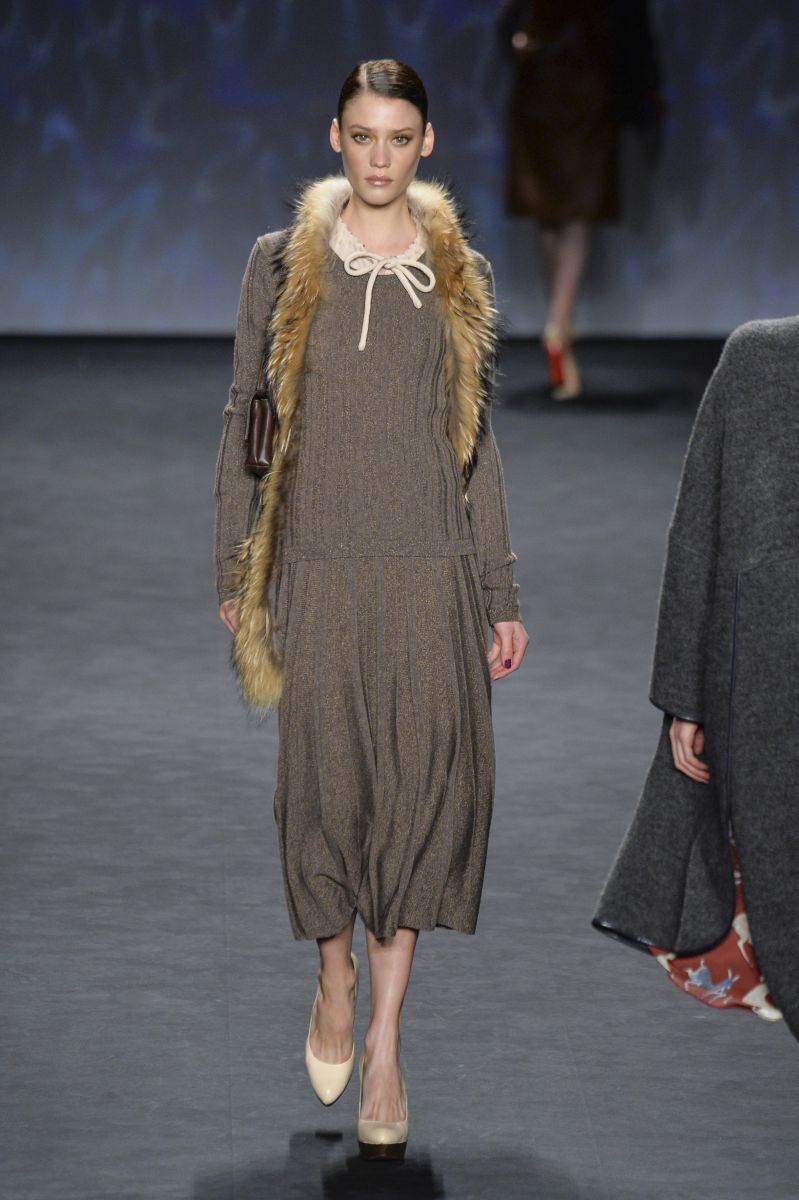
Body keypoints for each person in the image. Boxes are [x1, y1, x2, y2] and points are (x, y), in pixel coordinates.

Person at [213, 59, 529, 1159]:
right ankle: (334, 976)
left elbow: (474, 442)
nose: (380, 157)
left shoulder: (458, 273)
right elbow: (247, 418)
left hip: (430, 565)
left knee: (419, 797)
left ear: (427, 142)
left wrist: (498, 589)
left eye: (399, 137)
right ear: (334, 138)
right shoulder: (280, 265)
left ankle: (387, 1042)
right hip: (322, 561)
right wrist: (236, 569)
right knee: (326, 794)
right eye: (362, 136)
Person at [593, 318, 799, 1043]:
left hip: (761, 679)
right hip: (765, 681)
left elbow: (696, 537)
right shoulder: (757, 360)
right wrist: (685, 693)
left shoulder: (757, 357)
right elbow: (699, 534)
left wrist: (686, 695)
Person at [497, 0, 661, 399]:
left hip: (548, 76)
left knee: (551, 210)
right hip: (582, 76)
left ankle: (560, 326)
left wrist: (515, 38)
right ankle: (559, 326)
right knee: (575, 210)